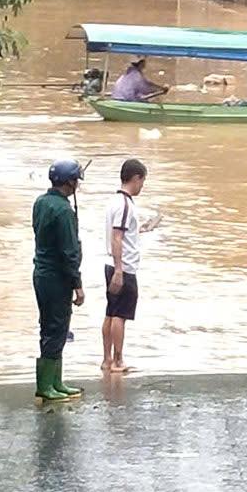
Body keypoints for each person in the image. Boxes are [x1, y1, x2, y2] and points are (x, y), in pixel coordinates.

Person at [32, 159, 85, 401]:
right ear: (70, 182)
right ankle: (47, 385)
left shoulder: (41, 202)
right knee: (57, 328)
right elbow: (69, 252)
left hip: (41, 274)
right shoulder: (64, 211)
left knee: (48, 327)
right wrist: (78, 284)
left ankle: (54, 382)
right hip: (57, 277)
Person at [104, 158, 160, 373]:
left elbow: (120, 234)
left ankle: (107, 360)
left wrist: (141, 230)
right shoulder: (126, 205)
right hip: (123, 267)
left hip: (111, 263)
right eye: (142, 182)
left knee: (110, 312)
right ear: (136, 178)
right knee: (120, 315)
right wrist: (120, 270)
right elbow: (117, 237)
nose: (142, 187)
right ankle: (118, 361)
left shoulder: (113, 202)